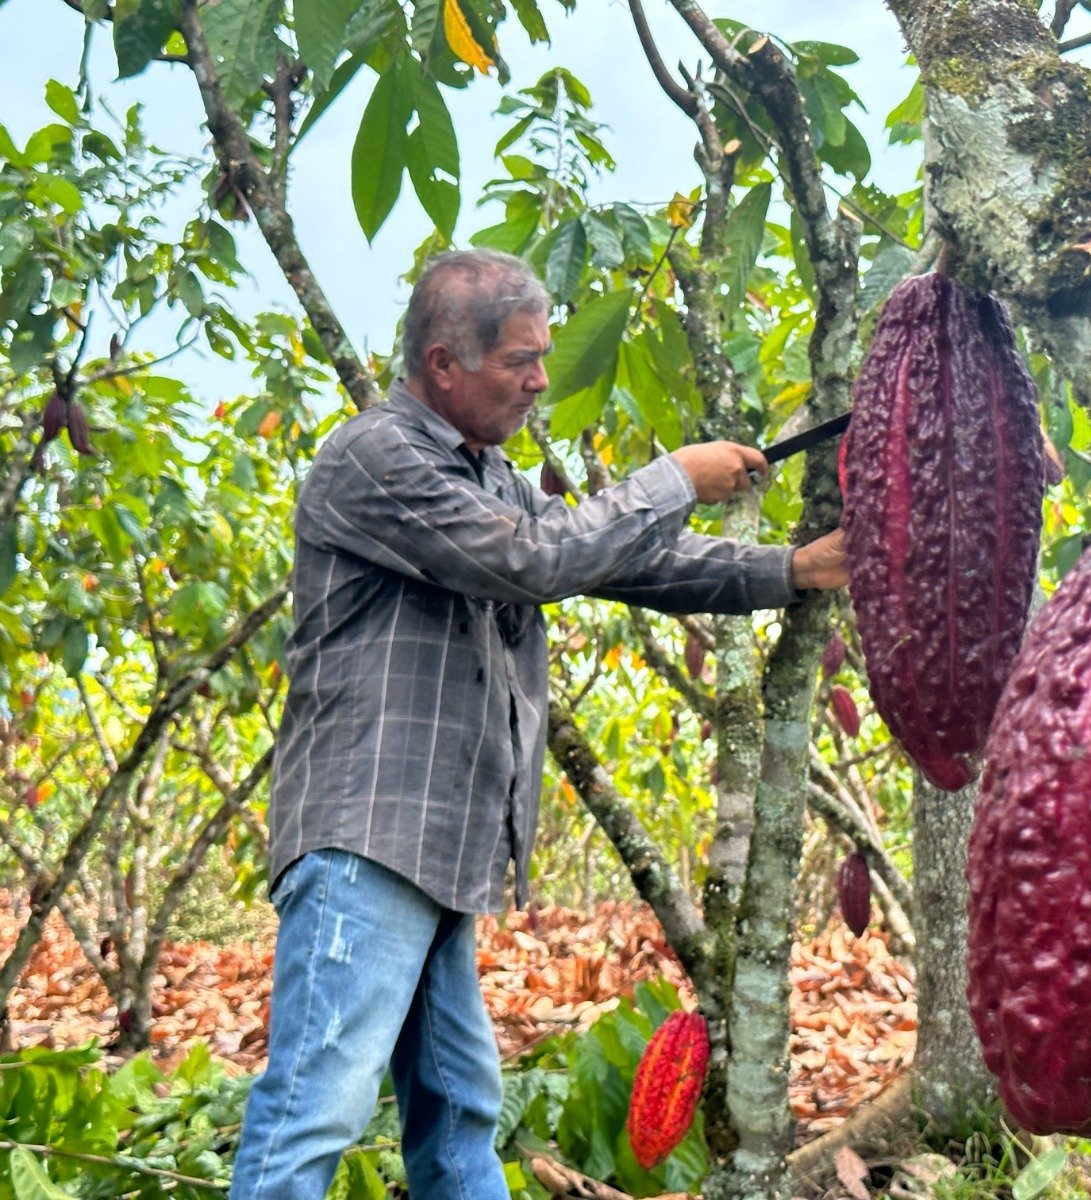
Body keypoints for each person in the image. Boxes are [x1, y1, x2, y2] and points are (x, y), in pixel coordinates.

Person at [229, 248, 849, 1200]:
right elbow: (530, 561)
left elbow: (629, 564)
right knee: (317, 1107)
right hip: (368, 842)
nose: (537, 381)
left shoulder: (493, 477)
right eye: (519, 361)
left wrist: (791, 570)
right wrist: (672, 477)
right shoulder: (376, 458)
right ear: (444, 364)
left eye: (543, 355)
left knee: (461, 1115)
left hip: (444, 848)